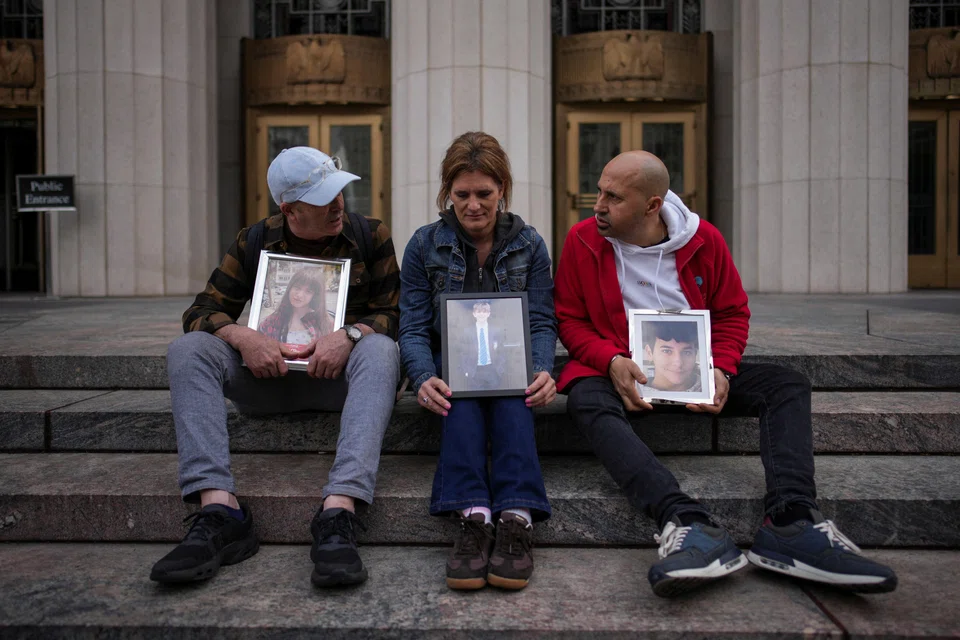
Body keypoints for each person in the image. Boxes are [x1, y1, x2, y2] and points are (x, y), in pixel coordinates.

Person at [555, 150, 897, 597]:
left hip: (693, 374)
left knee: (786, 383)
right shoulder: (582, 240)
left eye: (612, 197)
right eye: (598, 190)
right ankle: (685, 521)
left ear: (652, 206)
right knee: (584, 396)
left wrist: (721, 369)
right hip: (623, 374)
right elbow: (570, 320)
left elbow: (734, 313)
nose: (596, 205)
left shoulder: (704, 241)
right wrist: (611, 361)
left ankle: (792, 521)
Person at [151, 147, 401, 589]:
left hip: (341, 386)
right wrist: (244, 337)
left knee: (381, 350)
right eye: (325, 199)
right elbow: (201, 310)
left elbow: (396, 314)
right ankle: (218, 507)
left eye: (340, 192)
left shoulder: (370, 234)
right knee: (188, 350)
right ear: (290, 210)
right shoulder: (253, 240)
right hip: (268, 381)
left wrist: (350, 336)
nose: (339, 205)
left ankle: (339, 511)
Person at [399, 131, 557, 591]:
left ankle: (517, 517)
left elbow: (542, 323)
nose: (473, 205)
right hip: (452, 363)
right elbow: (411, 326)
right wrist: (423, 375)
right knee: (458, 396)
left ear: (502, 189)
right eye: (462, 194)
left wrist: (544, 369)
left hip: (511, 361)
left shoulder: (530, 244)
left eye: (484, 193)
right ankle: (474, 515)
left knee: (515, 394)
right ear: (447, 192)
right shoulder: (423, 245)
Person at [450, 300, 526, 392]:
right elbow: (462, 352)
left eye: (484, 311)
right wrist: (467, 371)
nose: (481, 314)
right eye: (479, 311)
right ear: (474, 314)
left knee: (495, 397)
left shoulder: (496, 331)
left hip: (493, 370)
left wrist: (501, 369)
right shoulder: (467, 332)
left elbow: (502, 351)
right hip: (474, 370)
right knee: (475, 397)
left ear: (489, 313)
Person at [257, 268, 334, 348]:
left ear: (315, 296)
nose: (299, 295)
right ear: (290, 288)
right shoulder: (273, 320)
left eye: (308, 291)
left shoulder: (326, 324)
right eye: (297, 288)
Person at [641, 320, 701, 394]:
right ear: (649, 353)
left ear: (695, 354)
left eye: (687, 352)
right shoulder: (634, 391)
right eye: (666, 351)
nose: (678, 363)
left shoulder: (711, 390)